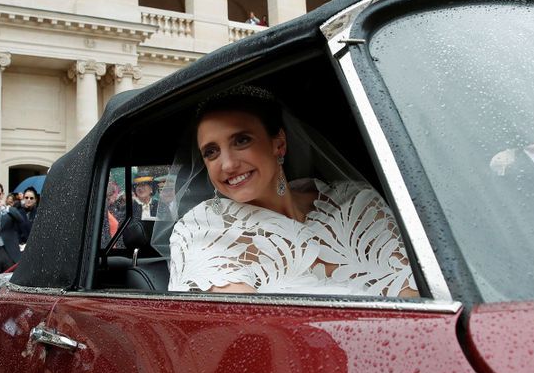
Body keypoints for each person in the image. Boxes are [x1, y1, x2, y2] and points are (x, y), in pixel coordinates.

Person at [167, 86, 418, 297]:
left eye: (241, 140)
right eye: (211, 152)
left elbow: (415, 296)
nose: (228, 164)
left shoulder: (356, 203)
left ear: (279, 144)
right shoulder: (201, 231)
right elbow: (248, 332)